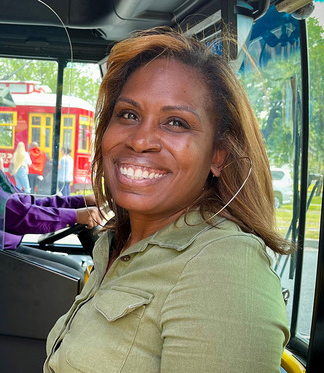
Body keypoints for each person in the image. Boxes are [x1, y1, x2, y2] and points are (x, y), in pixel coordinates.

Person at [44, 28, 291, 372]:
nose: (141, 140)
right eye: (128, 114)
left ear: (218, 154)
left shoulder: (223, 267)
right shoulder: (118, 243)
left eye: (176, 123)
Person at [0, 67, 102, 279]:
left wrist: (78, 202)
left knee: (76, 271)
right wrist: (75, 215)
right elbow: (14, 214)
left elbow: (21, 201)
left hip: (1, 249)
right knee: (75, 279)